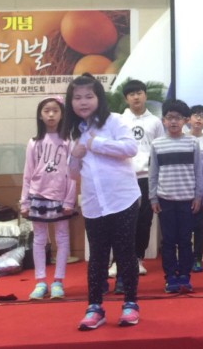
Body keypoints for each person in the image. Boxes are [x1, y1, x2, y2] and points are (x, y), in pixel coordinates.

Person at [64, 74, 141, 330]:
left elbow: (130, 148)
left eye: (89, 96)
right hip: (93, 203)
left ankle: (130, 303)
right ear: (71, 102)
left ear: (99, 98)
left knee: (125, 252)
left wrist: (95, 143)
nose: (83, 102)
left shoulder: (114, 120)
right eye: (77, 98)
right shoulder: (73, 131)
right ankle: (95, 307)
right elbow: (72, 174)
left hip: (122, 198)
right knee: (97, 256)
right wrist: (75, 155)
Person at [109, 80, 164, 293]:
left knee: (144, 220)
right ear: (126, 98)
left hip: (147, 177)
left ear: (145, 95)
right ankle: (117, 261)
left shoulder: (155, 122)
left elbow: (159, 149)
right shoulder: (119, 120)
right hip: (124, 177)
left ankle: (138, 259)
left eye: (139, 93)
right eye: (131, 94)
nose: (136, 97)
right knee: (121, 222)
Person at [20, 96, 77, 300]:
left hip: (60, 197)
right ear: (40, 115)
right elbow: (27, 173)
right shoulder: (33, 142)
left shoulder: (68, 141)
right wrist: (24, 201)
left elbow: (73, 174)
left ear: (62, 115)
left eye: (55, 110)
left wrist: (69, 200)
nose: (51, 115)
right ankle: (40, 282)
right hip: (37, 196)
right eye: (46, 111)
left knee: (62, 238)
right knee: (39, 239)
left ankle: (58, 281)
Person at [149, 99, 203, 293]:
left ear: (185, 120)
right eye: (169, 118)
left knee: (185, 240)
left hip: (188, 200)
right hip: (165, 200)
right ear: (163, 120)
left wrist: (198, 196)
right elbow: (153, 173)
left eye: (178, 118)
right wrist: (153, 198)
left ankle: (185, 277)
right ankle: (170, 277)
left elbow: (199, 171)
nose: (173, 122)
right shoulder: (157, 144)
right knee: (168, 241)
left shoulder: (193, 142)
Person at [185, 104, 203, 273]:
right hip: (184, 185)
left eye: (202, 117)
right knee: (184, 226)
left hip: (202, 187)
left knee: (198, 225)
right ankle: (185, 257)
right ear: (188, 119)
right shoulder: (182, 138)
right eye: (195, 115)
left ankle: (197, 258)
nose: (199, 119)